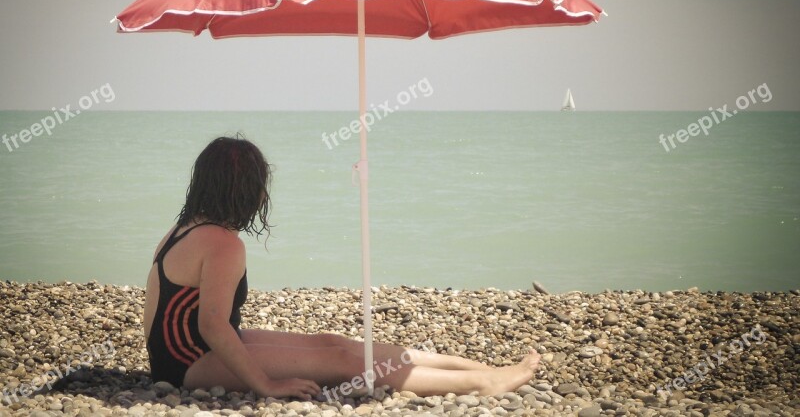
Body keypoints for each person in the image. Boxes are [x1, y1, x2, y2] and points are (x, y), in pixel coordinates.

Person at [143, 136, 540, 400]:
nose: (264, 194)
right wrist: (267, 385)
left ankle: (487, 369)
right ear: (243, 190)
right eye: (260, 184)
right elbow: (211, 325)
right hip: (188, 364)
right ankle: (482, 382)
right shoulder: (223, 242)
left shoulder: (184, 229)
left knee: (334, 343)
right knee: (342, 363)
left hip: (189, 352)